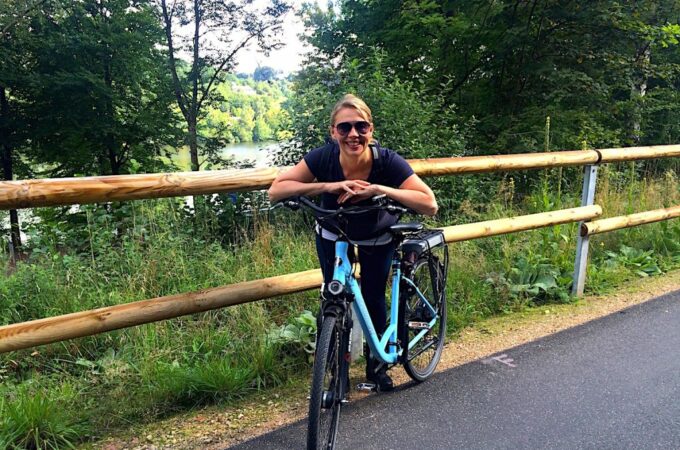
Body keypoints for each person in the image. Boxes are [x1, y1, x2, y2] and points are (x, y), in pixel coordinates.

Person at [268, 94, 438, 391]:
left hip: (377, 236)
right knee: (333, 297)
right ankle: (337, 371)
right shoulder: (322, 158)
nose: (353, 134)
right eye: (344, 128)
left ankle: (377, 365)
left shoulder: (386, 160)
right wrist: (328, 185)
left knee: (372, 296)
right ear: (333, 132)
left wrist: (378, 189)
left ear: (370, 130)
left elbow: (429, 203)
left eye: (361, 127)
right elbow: (277, 190)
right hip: (333, 234)